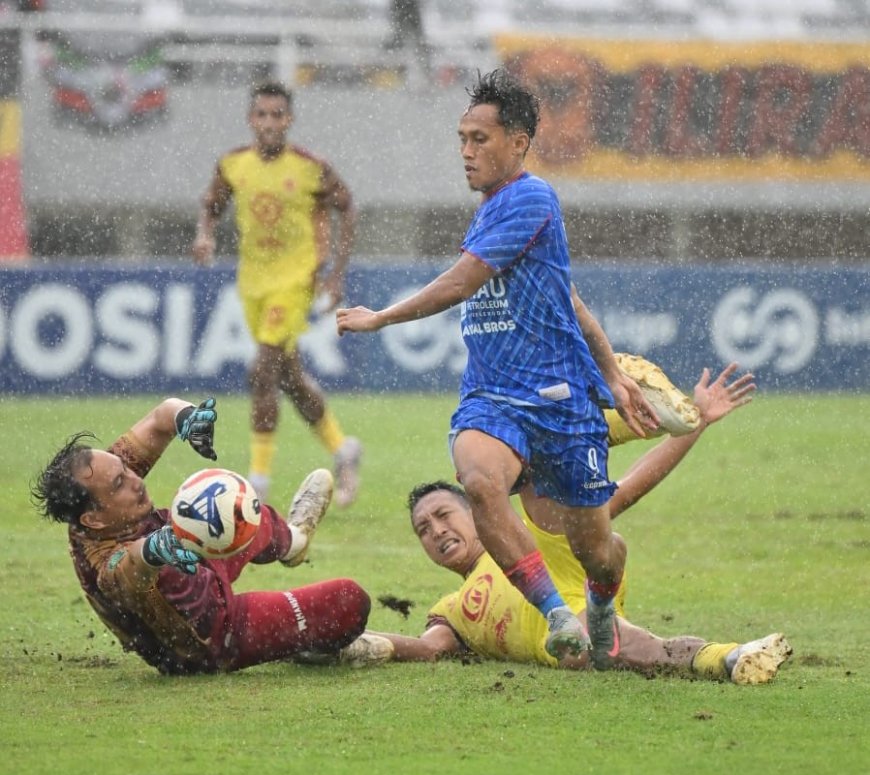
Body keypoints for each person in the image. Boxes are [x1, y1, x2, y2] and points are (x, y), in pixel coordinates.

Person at [337, 68, 660, 668]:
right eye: (462, 138)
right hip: (494, 396)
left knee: (599, 551)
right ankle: (555, 614)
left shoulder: (532, 197)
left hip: (561, 401)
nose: (466, 151)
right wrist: (614, 372)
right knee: (481, 483)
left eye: (479, 139)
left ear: (518, 142)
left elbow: (462, 283)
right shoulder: (493, 206)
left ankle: (598, 602)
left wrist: (381, 318)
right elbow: (574, 301)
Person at [339, 364, 792, 684]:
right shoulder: (453, 607)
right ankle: (588, 425)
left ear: (479, 513)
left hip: (584, 603)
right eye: (423, 529)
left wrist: (693, 426)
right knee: (608, 641)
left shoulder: (530, 531)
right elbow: (430, 648)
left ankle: (728, 658)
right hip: (566, 649)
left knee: (612, 630)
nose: (435, 530)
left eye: (442, 515)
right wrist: (357, 643)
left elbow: (628, 489)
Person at [30, 397, 372, 675]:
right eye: (120, 483)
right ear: (94, 519)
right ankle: (318, 645)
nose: (135, 479)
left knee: (227, 506)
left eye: (126, 470)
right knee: (349, 599)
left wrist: (188, 418)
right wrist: (154, 548)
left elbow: (161, 416)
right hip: (211, 638)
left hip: (193, 557)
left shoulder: (100, 488)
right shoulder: (101, 558)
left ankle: (294, 541)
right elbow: (124, 569)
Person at [193, 80, 362, 508]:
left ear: (289, 120)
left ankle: (258, 484)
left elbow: (347, 204)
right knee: (287, 378)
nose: (269, 122)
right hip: (253, 283)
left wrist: (336, 273)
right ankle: (343, 450)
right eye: (262, 114)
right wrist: (205, 236)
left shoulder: (309, 166)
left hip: (295, 279)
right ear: (251, 119)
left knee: (262, 370)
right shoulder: (233, 164)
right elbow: (212, 202)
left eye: (277, 115)